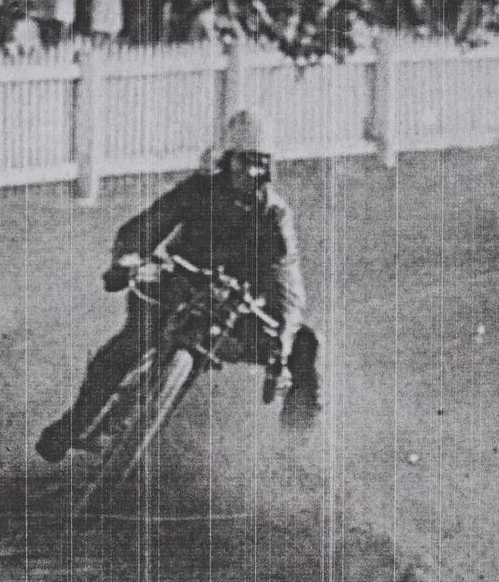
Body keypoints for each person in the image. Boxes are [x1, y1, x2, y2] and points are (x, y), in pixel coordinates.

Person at [35, 110, 321, 463]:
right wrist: (126, 262)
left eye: (262, 164)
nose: (253, 173)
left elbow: (286, 279)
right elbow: (145, 227)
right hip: (176, 288)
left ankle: (292, 454)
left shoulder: (274, 215)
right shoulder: (196, 192)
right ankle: (74, 422)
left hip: (235, 308)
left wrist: (284, 333)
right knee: (132, 341)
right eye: (245, 162)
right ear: (227, 161)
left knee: (305, 344)